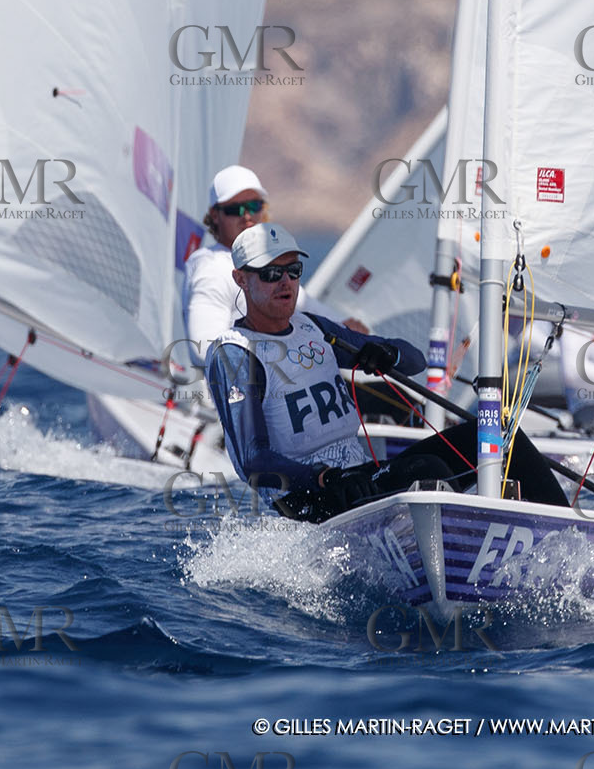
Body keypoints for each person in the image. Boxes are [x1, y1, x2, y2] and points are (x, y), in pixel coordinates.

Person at [204, 223, 569, 520]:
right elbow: (253, 461)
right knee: (427, 469)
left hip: (361, 477)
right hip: (309, 497)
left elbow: (416, 362)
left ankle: (567, 540)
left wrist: (386, 352)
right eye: (271, 273)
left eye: (293, 270)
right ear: (241, 279)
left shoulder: (314, 328)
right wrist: (321, 476)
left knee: (496, 433)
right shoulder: (235, 353)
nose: (285, 282)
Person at [181, 165, 363, 366]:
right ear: (215, 215)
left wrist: (352, 333)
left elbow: (317, 313)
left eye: (254, 206)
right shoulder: (211, 268)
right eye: (235, 209)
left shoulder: (272, 264)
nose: (247, 215)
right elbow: (205, 349)